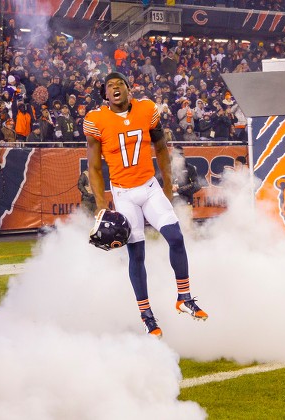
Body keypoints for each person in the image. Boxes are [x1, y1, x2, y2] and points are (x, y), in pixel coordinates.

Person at [84, 72, 207, 338]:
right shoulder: (96, 120)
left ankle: (183, 297)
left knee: (175, 237)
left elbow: (161, 148)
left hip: (149, 187)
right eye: (110, 86)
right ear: (105, 94)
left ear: (129, 89)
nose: (115, 88)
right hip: (124, 193)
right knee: (136, 254)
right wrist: (100, 203)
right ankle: (147, 315)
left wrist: (165, 184)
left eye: (120, 84)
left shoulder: (147, 109)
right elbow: (93, 167)